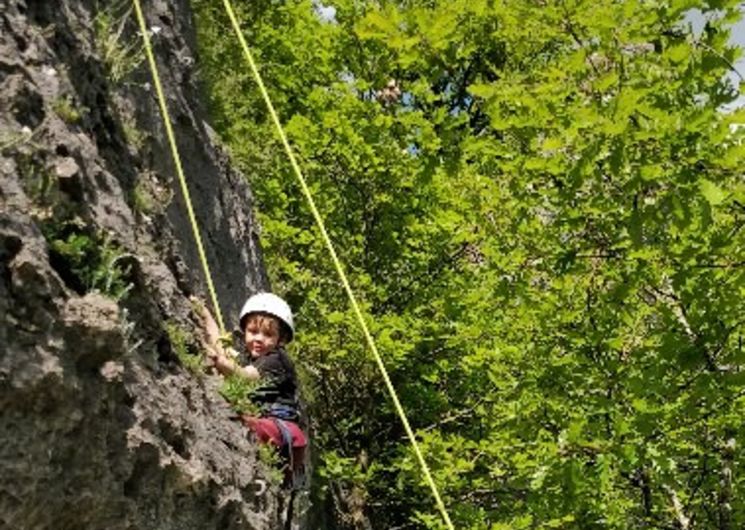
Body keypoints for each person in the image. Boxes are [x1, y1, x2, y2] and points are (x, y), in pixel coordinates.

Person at [196, 292, 307, 487]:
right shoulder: (251, 359)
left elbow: (244, 377)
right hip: (274, 432)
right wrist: (204, 313)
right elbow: (219, 343)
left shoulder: (277, 360)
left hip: (282, 432)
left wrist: (218, 361)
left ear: (281, 340)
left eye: (268, 334)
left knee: (236, 421)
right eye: (252, 331)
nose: (258, 339)